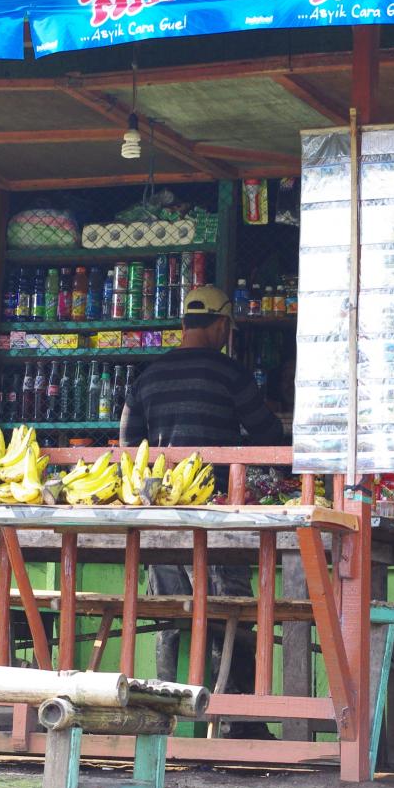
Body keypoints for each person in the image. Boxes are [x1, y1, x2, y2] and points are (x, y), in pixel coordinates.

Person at [120, 285, 284, 736]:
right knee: (233, 611)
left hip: (161, 517)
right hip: (219, 517)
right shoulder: (231, 374)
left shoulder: (148, 377)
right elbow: (268, 435)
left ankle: (161, 717)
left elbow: (127, 447)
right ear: (220, 325)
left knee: (170, 614)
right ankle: (239, 719)